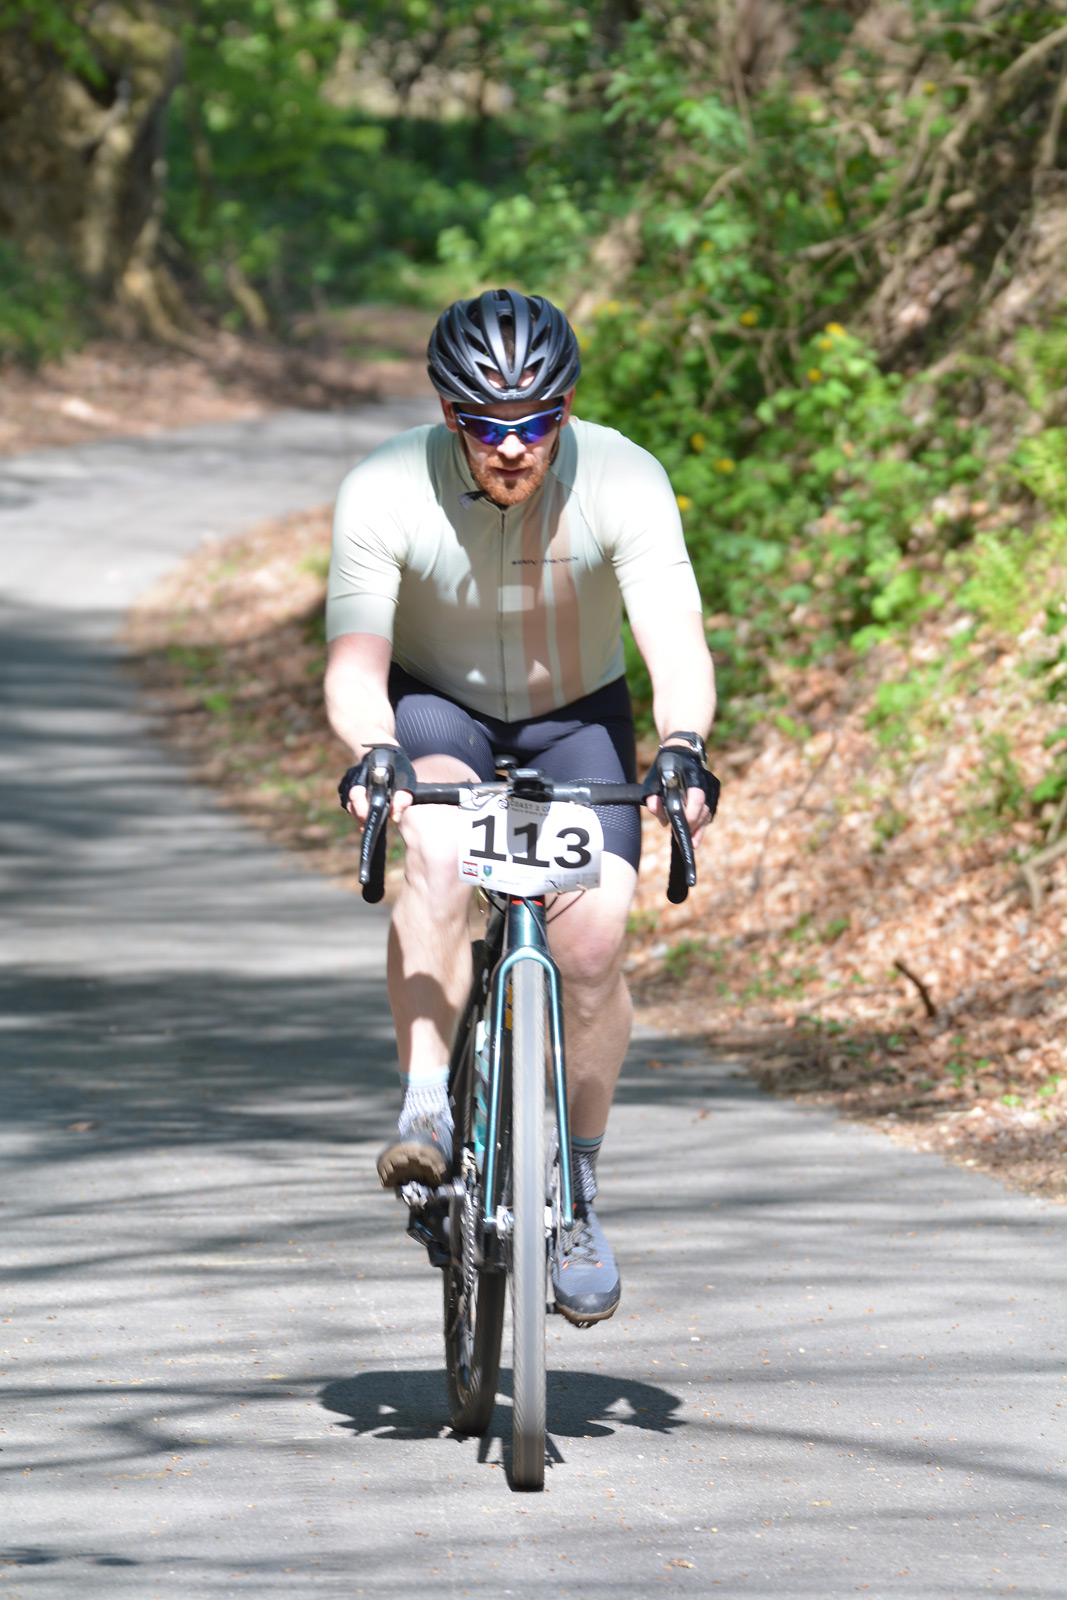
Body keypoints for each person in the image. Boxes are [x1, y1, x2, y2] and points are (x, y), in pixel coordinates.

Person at [324, 288, 715, 1325]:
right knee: (438, 848)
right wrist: (372, 752)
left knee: (592, 942)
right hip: (438, 707)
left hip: (574, 717)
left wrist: (682, 745)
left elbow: (676, 645)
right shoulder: (383, 487)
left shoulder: (624, 478)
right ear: (446, 412)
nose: (510, 446)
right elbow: (354, 664)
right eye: (484, 423)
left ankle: (574, 1191)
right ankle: (425, 1108)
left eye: (536, 422)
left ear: (566, 407)